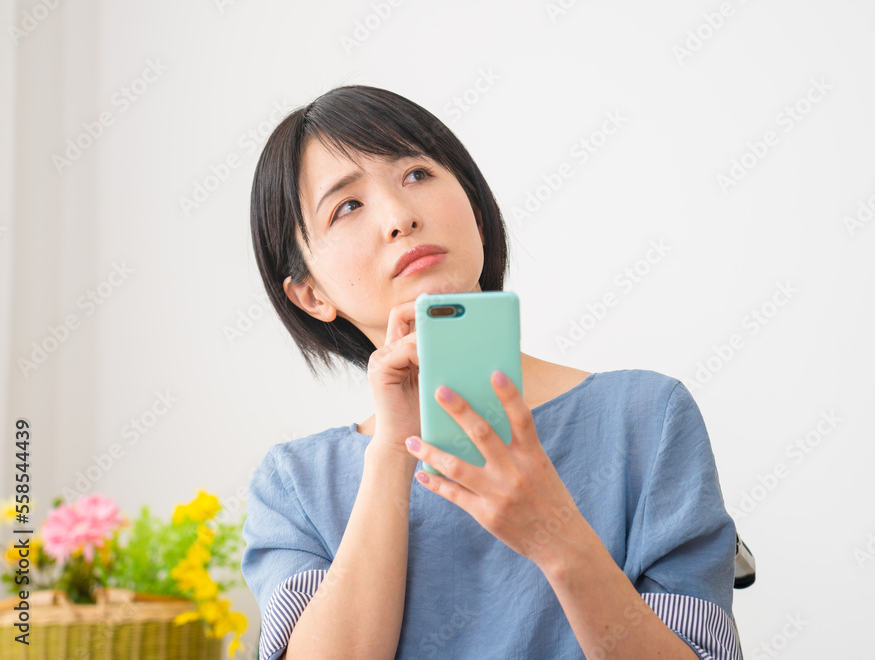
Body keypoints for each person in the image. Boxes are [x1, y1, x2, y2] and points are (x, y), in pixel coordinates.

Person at [241, 84, 744, 660]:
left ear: (475, 209)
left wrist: (556, 538)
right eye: (347, 206)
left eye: (416, 174)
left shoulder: (646, 417)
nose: (400, 217)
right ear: (310, 295)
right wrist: (393, 453)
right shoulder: (296, 486)